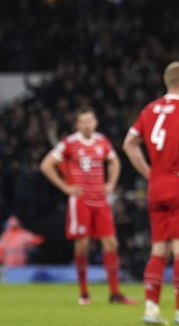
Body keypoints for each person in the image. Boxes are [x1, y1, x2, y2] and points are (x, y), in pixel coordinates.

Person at [123, 62, 179, 326]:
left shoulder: (149, 109)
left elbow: (129, 144)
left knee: (158, 250)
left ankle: (151, 309)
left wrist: (150, 173)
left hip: (156, 189)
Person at [40, 107, 135, 305]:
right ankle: (84, 293)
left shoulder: (102, 141)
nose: (88, 124)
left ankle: (115, 293)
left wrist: (111, 184)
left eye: (90, 120)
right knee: (82, 245)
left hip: (100, 200)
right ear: (77, 125)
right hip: (80, 200)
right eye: (83, 121)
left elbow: (114, 162)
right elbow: (46, 164)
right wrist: (66, 187)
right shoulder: (70, 143)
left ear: (96, 122)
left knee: (111, 243)